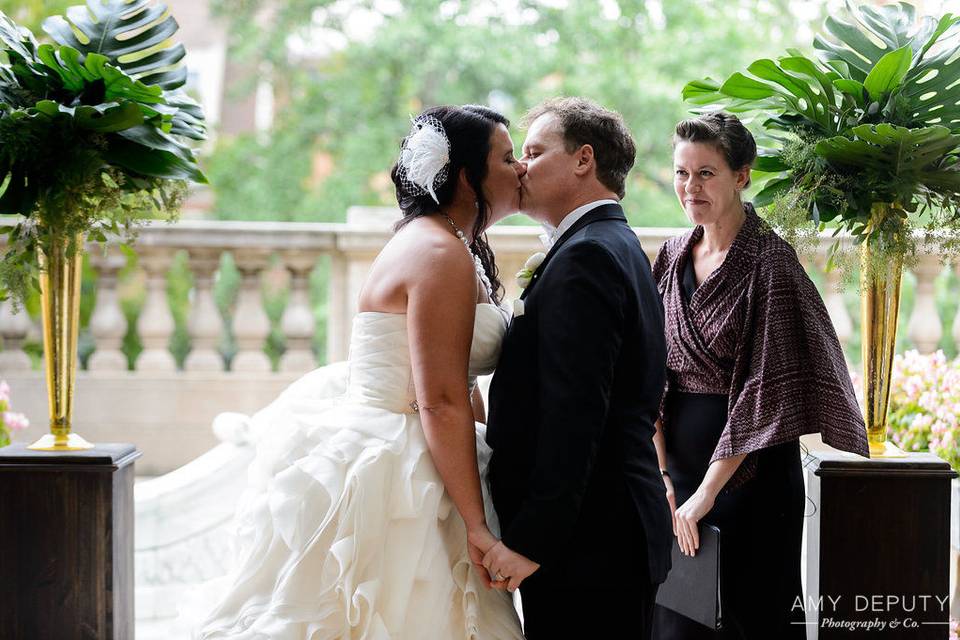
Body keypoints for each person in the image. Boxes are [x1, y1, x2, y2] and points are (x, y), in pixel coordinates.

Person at [191, 105, 526, 639]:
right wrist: (475, 526)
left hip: (432, 445)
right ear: (466, 177)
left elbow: (457, 385)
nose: (521, 169)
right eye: (508, 158)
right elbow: (437, 398)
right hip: (400, 464)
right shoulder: (437, 252)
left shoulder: (449, 242)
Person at [650, 112, 869, 639]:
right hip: (675, 471)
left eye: (707, 173)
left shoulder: (771, 262)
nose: (690, 187)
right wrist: (662, 478)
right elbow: (650, 370)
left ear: (742, 175)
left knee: (752, 618)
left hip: (751, 478)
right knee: (675, 619)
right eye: (682, 173)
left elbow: (764, 393)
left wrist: (706, 494)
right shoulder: (673, 254)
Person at [483, 97, 674, 640]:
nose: (521, 166)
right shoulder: (608, 242)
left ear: (583, 159)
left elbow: (576, 415)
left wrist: (530, 541)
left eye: (535, 152)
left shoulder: (587, 256)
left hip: (593, 543)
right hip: (601, 534)